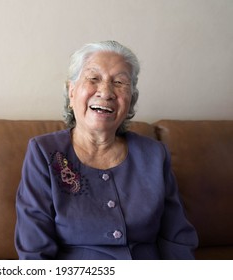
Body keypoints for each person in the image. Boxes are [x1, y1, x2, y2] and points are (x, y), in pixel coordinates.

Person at [14, 40, 198, 259]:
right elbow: (35, 250)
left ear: (130, 101)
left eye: (120, 82)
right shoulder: (44, 152)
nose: (106, 92)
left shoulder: (154, 155)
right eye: (93, 79)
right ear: (71, 92)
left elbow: (176, 239)